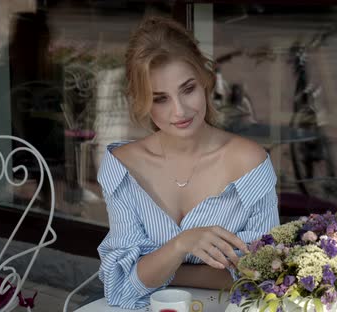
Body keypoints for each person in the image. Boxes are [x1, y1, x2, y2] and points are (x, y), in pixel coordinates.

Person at [96, 16, 279, 309]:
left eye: (188, 89)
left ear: (206, 79)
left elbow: (263, 277)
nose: (179, 111)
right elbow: (120, 289)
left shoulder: (251, 166)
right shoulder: (122, 169)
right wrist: (183, 243)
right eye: (160, 99)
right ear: (141, 101)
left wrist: (162, 267)